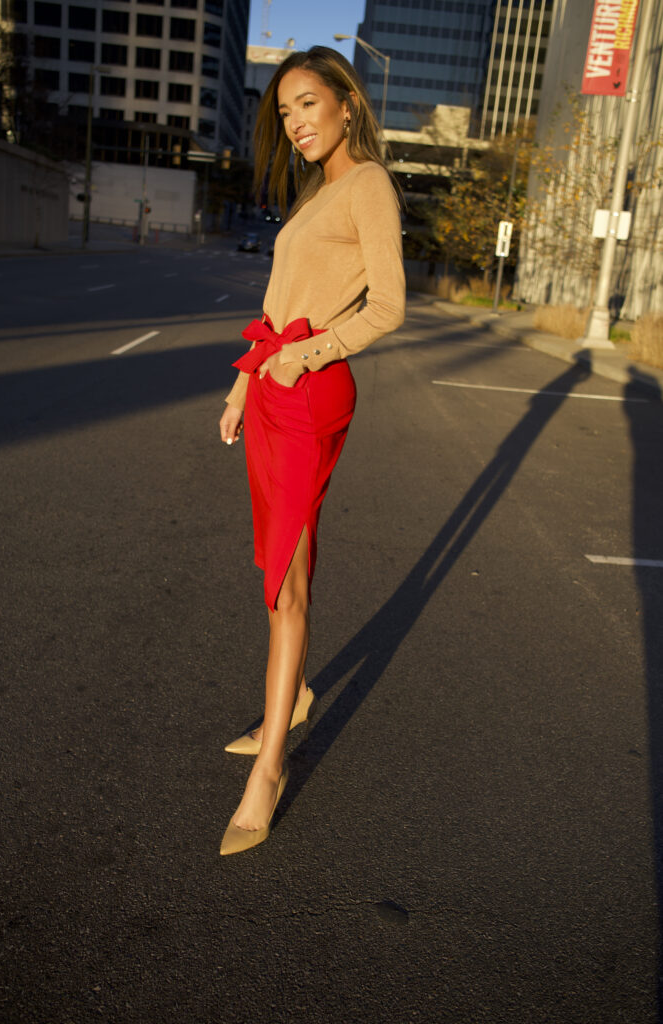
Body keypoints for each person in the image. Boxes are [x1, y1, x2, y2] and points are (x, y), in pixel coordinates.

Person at [218, 46, 405, 856]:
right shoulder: (315, 190)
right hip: (269, 390)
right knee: (275, 567)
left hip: (309, 395)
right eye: (283, 112)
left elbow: (389, 308)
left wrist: (308, 354)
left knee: (287, 576)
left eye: (305, 105)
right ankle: (289, 701)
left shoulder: (367, 186)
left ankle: (270, 770)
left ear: (347, 103)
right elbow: (276, 304)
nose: (295, 124)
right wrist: (240, 386)